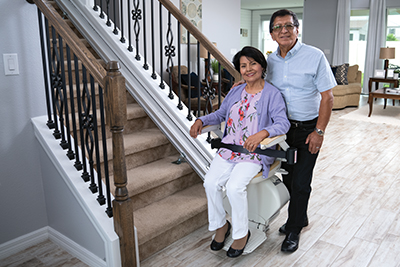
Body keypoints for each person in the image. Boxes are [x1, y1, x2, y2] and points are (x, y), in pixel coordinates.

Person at [190, 46, 290, 258]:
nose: (248, 69)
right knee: (210, 183)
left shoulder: (272, 94)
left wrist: (262, 133)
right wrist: (201, 120)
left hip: (254, 153)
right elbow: (220, 113)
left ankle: (241, 234)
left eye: (252, 63)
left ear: (262, 65)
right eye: (243, 66)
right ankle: (221, 227)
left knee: (235, 187)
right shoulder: (236, 90)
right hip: (229, 150)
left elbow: (282, 123)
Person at [266, 9, 336, 253]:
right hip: (282, 131)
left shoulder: (314, 56)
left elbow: (328, 97)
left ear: (297, 29)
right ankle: (301, 217)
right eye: (277, 27)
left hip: (308, 129)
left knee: (301, 182)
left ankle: (294, 228)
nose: (283, 30)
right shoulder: (270, 61)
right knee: (287, 178)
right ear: (272, 34)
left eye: (288, 25)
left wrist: (319, 131)